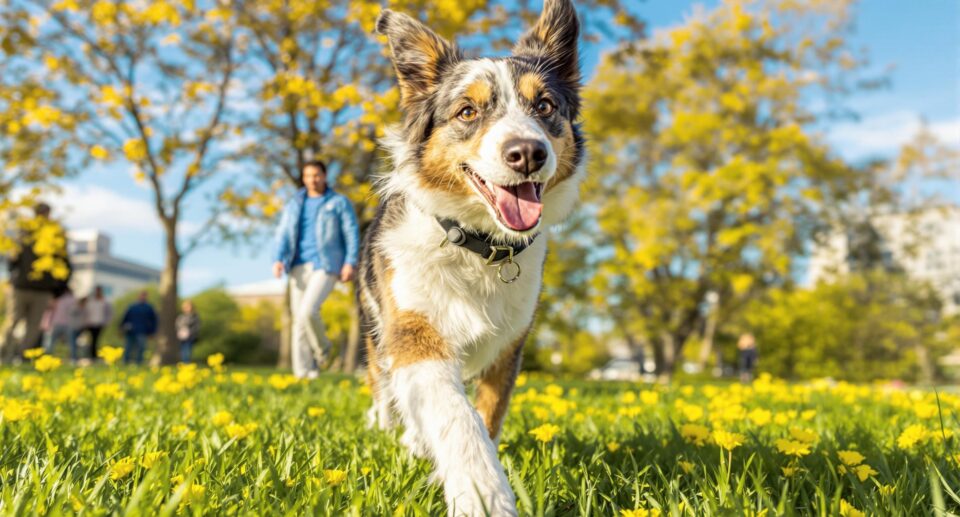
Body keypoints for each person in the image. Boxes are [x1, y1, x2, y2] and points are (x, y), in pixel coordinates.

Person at [272, 160, 360, 379]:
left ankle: (323, 350)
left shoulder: (338, 202)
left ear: (325, 176)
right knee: (299, 320)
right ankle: (304, 373)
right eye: (308, 176)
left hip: (326, 264)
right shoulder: (295, 203)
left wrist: (350, 261)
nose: (313, 179)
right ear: (303, 178)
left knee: (307, 311)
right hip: (297, 265)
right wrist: (277, 258)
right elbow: (282, 232)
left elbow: (351, 232)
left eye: (317, 175)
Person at [0, 202, 71, 365]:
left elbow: (63, 263)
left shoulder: (55, 234)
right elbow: (13, 258)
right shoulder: (25, 231)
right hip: (22, 286)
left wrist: (57, 290)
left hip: (42, 289)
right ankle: (4, 355)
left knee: (32, 325)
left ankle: (23, 357)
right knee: (14, 321)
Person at [43, 287, 83, 362]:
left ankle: (47, 357)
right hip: (67, 324)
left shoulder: (59, 299)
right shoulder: (73, 300)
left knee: (51, 342)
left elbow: (51, 311)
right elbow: (77, 310)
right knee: (71, 342)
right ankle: (73, 359)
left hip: (56, 323)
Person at [120, 291, 157, 365]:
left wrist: (152, 332)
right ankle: (125, 362)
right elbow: (125, 317)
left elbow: (154, 321)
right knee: (128, 347)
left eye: (144, 296)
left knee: (141, 348)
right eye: (141, 296)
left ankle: (138, 363)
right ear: (138, 296)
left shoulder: (149, 308)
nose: (142, 297)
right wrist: (121, 327)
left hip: (142, 331)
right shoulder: (132, 306)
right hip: (131, 331)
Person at [83, 285, 112, 361]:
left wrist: (106, 322)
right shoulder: (91, 301)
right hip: (90, 323)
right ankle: (91, 355)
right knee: (92, 340)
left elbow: (109, 313)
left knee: (95, 340)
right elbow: (86, 312)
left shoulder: (104, 302)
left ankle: (93, 355)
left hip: (99, 323)